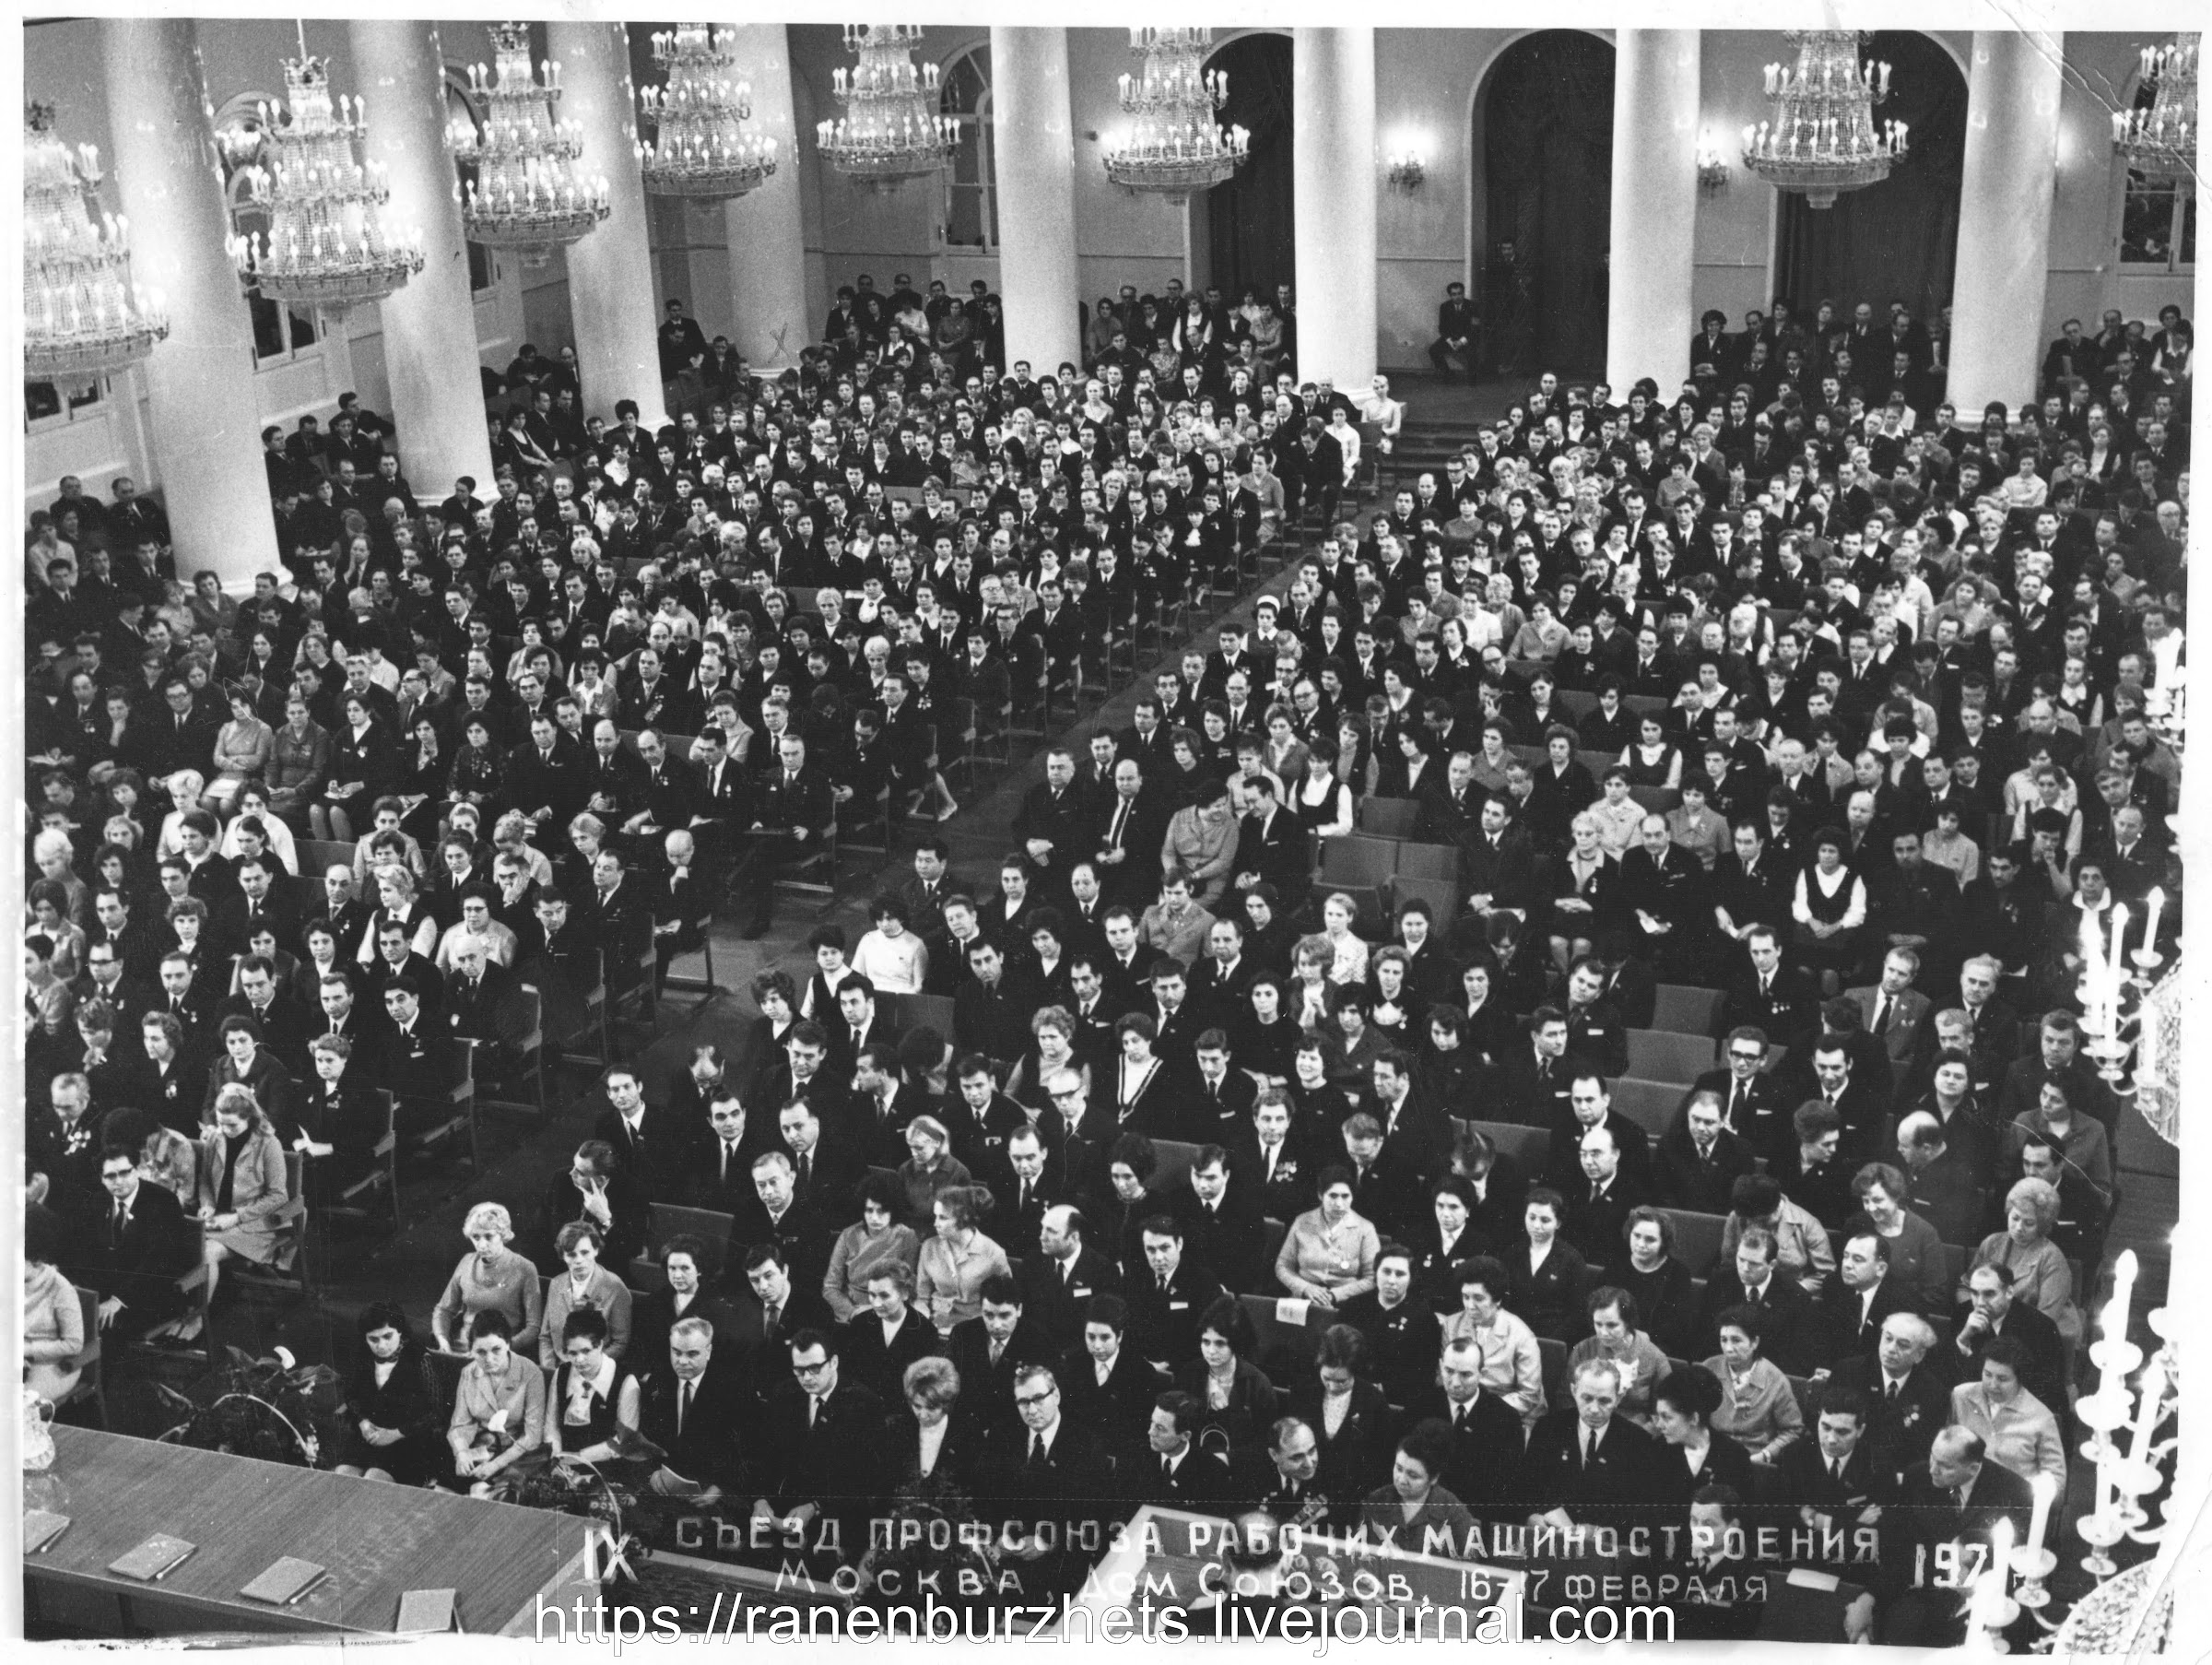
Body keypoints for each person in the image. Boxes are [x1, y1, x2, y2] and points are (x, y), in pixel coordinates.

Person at [333, 1301, 445, 1485]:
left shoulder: (420, 1360)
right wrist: (363, 1422)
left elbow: (435, 1412)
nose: (381, 1345)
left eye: (387, 1336)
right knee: (343, 1478)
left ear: (400, 1331)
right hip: (369, 1434)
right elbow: (351, 1394)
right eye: (373, 1339)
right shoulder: (362, 1355)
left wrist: (396, 1433)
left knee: (373, 1481)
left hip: (406, 1440)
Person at [447, 1309, 547, 1499]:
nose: (489, 1359)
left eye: (496, 1350)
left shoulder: (531, 1373)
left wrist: (496, 1465)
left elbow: (533, 1436)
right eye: (481, 1352)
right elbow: (460, 1424)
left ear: (508, 1344)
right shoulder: (469, 1373)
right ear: (472, 1351)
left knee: (495, 1495)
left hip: (520, 1453)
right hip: (483, 1445)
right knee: (446, 1488)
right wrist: (461, 1452)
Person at [430, 1201, 544, 1357]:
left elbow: (533, 1327)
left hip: (501, 1353)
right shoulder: (466, 1262)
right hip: (461, 1351)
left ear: (503, 1234)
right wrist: (443, 1342)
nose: (482, 1245)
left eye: (489, 1236)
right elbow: (443, 1309)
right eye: (476, 1237)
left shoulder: (525, 1268)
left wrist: (500, 1350)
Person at [1701, 1305, 1804, 1464]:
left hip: (1753, 1459)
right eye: (1724, 1340)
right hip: (1710, 1453)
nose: (1728, 1348)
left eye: (1736, 1340)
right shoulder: (1708, 1368)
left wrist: (1765, 1455)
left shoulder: (1776, 1380)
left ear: (1754, 1342)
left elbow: (1792, 1431)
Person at [1275, 1164, 1380, 1308]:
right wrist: (1305, 1288)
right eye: (1333, 1196)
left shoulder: (1366, 1229)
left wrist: (1335, 1295)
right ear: (1320, 1195)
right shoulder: (1302, 1221)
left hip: (1346, 1303)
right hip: (1303, 1299)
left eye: (1345, 1196)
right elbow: (1283, 1266)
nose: (1339, 1203)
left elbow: (1373, 1277)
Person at [824, 1171, 923, 1323]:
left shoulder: (907, 1237)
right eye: (869, 1210)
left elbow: (909, 1287)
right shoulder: (848, 1235)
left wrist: (875, 1310)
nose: (874, 1218)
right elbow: (830, 1287)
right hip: (851, 1312)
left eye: (882, 1211)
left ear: (893, 1210)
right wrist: (852, 1312)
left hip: (890, 1311)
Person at [22, 1208, 85, 1404]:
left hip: (53, 1366)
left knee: (14, 1403)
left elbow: (74, 1344)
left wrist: (27, 1350)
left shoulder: (61, 1288)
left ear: (37, 1260)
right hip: (16, 1360)